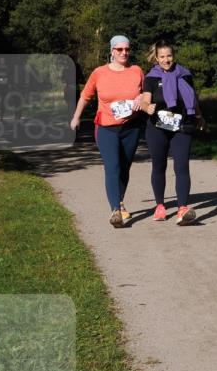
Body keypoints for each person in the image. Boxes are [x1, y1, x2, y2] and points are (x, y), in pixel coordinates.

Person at [70, 35, 145, 227]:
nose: (124, 53)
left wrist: (142, 99)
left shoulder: (137, 71)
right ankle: (115, 210)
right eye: (119, 49)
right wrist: (76, 117)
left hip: (131, 128)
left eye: (127, 49)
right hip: (106, 128)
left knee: (125, 167)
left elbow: (147, 93)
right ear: (111, 51)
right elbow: (85, 96)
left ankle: (119, 201)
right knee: (113, 166)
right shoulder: (99, 73)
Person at [140, 38, 205, 225]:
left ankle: (182, 208)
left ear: (173, 56)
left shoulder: (185, 74)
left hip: (182, 126)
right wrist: (146, 107)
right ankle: (160, 206)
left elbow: (193, 98)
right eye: (162, 56)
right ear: (157, 58)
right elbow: (145, 100)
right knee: (159, 166)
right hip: (157, 127)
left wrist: (200, 117)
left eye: (169, 56)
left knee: (182, 166)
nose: (166, 60)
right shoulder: (151, 77)